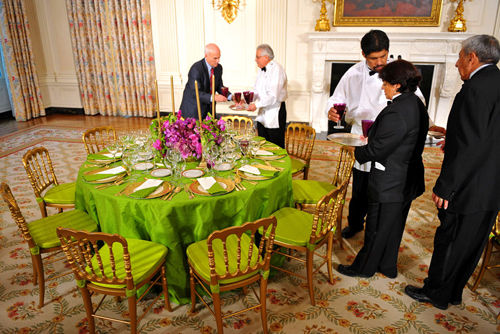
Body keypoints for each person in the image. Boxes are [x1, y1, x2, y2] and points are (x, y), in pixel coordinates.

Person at [405, 35, 500, 310]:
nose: (458, 64)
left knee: (450, 239)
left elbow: (469, 145)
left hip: (466, 185)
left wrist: (445, 186)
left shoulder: (472, 89)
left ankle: (436, 292)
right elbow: (486, 135)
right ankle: (453, 292)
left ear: (472, 57)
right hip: (492, 186)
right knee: (472, 244)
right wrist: (455, 136)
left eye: (460, 57)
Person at [327, 30, 442, 240]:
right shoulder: (352, 74)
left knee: (379, 188)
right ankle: (354, 224)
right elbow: (335, 98)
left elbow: (418, 105)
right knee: (360, 188)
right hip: (360, 136)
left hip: (390, 142)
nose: (380, 62)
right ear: (363, 54)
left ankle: (376, 230)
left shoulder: (400, 73)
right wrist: (332, 111)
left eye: (383, 56)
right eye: (374, 58)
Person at [337, 60, 429, 279]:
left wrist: (356, 152)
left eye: (385, 83)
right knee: (393, 225)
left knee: (376, 227)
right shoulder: (416, 104)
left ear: (397, 85)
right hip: (407, 178)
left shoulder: (397, 111)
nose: (382, 87)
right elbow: (396, 140)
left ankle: (364, 268)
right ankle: (388, 266)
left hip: (391, 180)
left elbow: (377, 150)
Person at [246, 44, 288, 148]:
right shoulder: (261, 70)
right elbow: (256, 90)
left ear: (266, 57)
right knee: (263, 144)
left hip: (275, 112)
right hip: (263, 112)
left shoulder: (277, 69)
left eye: (257, 57)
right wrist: (247, 99)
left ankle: (279, 165)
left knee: (275, 146)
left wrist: (256, 105)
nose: (255, 60)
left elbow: (273, 96)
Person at [180, 43, 230, 120]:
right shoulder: (196, 69)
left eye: (219, 58)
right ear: (206, 55)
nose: (218, 61)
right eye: (215, 58)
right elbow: (196, 93)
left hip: (208, 110)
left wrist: (231, 96)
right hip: (193, 110)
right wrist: (214, 97)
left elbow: (219, 86)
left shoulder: (218, 68)